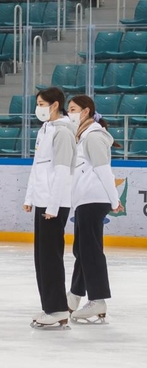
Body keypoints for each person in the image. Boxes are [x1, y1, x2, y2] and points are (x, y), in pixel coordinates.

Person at [24, 87, 77, 329]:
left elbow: (63, 170)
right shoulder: (46, 129)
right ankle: (50, 306)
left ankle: (57, 308)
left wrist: (53, 206)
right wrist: (30, 196)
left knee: (51, 257)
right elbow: (39, 166)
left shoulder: (63, 133)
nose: (39, 108)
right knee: (41, 257)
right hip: (43, 201)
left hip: (54, 204)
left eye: (41, 103)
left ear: (55, 105)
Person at [67, 95, 123, 323]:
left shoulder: (93, 136)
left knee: (89, 250)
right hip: (84, 200)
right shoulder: (82, 137)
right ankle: (74, 296)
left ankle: (98, 299)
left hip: (93, 199)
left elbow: (103, 171)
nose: (68, 113)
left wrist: (114, 200)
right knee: (82, 250)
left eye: (72, 109)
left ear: (86, 111)